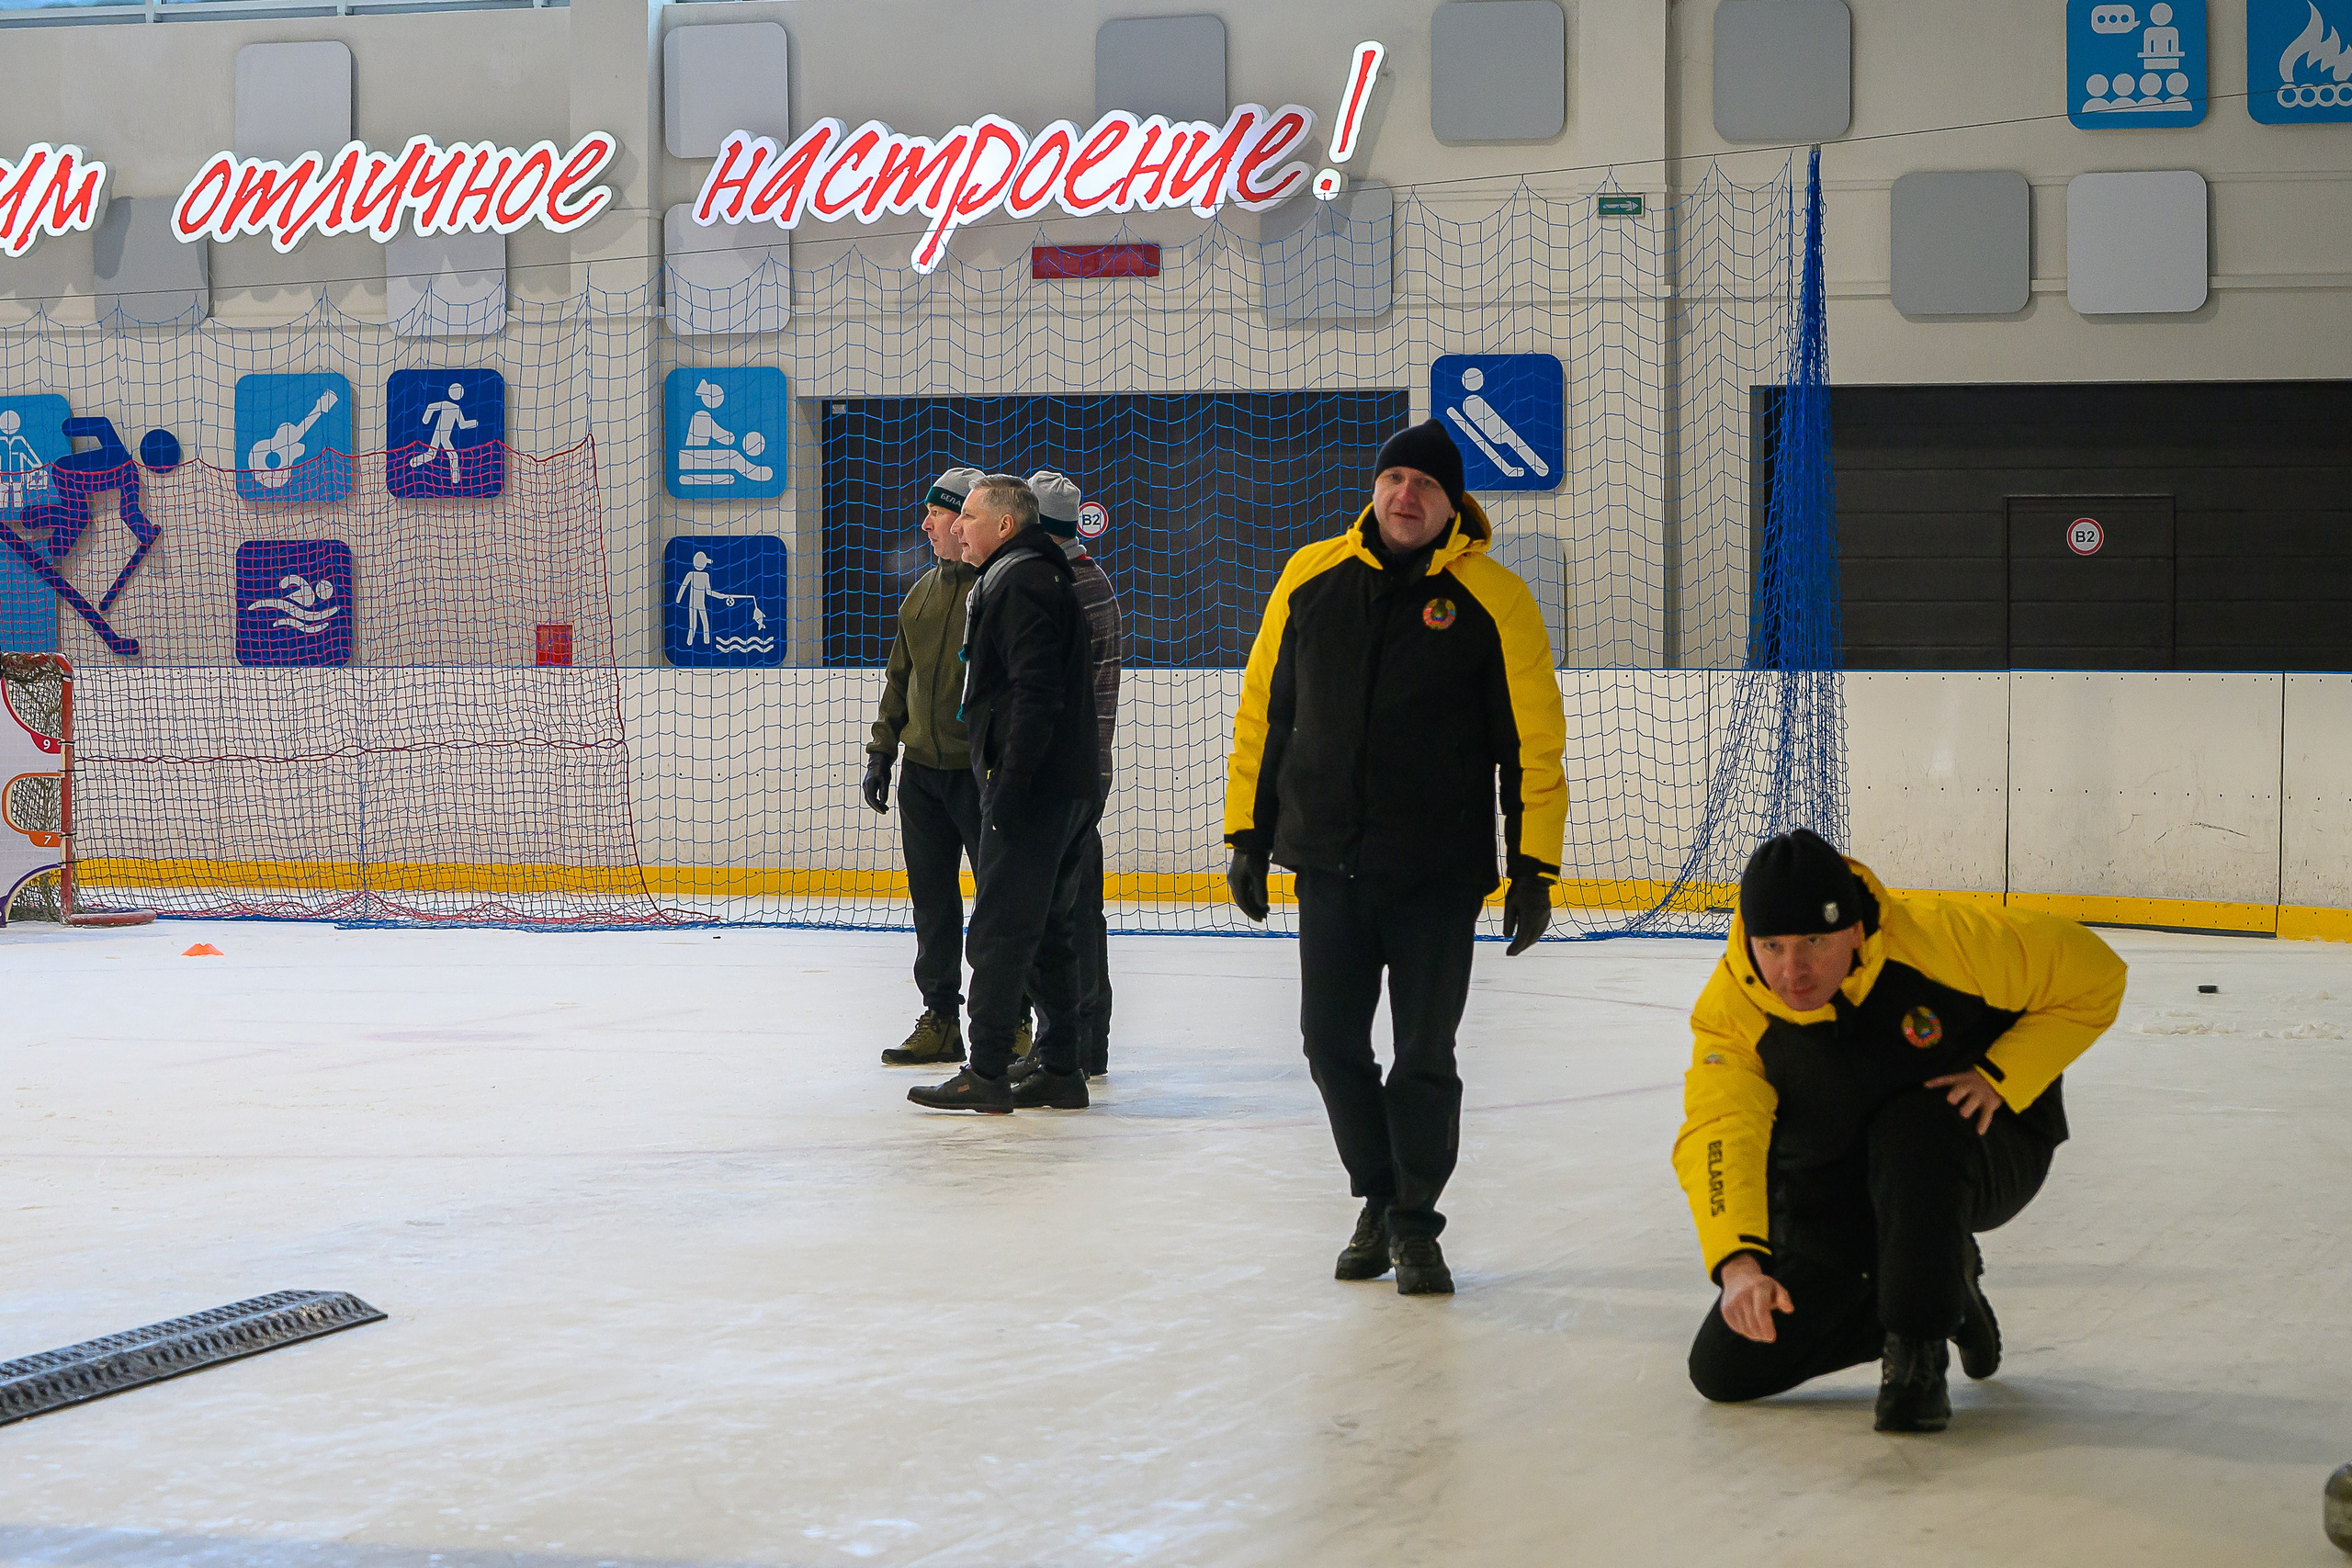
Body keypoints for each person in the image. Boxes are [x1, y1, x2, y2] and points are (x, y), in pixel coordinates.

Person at [1223, 419, 1568, 1295]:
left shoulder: (1497, 599)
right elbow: (1266, 712)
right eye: (1394, 478)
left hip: (1436, 876)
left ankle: (1415, 1223)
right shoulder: (1311, 577)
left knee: (1423, 1055)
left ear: (1454, 506)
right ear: (1374, 488)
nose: (1405, 494)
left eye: (1426, 484)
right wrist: (1247, 835)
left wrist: (1534, 867)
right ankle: (1378, 1193)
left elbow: (1531, 745)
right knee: (1329, 1043)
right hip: (1328, 863)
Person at [1674, 829, 2128, 1432]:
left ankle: (1918, 1352)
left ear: (1854, 930)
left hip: (1982, 1143)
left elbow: (2096, 973)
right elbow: (1721, 1129)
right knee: (1726, 1368)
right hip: (1844, 1183)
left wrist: (2000, 1075)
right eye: (1772, 945)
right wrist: (1738, 1265)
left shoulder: (1946, 940)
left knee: (1913, 1126)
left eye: (1814, 941)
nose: (1793, 970)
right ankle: (1944, 1285)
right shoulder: (1733, 1012)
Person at [910, 475, 1102, 1114]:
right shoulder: (1036, 577)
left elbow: (1035, 693)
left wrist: (1010, 786)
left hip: (1036, 790)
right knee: (1049, 932)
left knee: (998, 931)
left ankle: (987, 1070)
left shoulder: (1021, 583)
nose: (956, 526)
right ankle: (1061, 1069)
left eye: (968, 515)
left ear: (1004, 526)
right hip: (1064, 786)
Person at [865, 466, 1003, 1068]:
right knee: (933, 906)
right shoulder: (921, 593)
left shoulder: (998, 591)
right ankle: (941, 1018)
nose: (926, 524)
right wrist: (882, 751)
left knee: (1001, 905)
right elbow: (900, 679)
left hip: (981, 775)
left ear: (968, 520)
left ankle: (1012, 1023)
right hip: (921, 775)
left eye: (938, 513)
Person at [1010, 470, 1121, 1079]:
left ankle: (1069, 1040)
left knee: (1061, 914)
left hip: (1063, 773)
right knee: (1078, 911)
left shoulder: (1064, 587)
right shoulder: (1090, 579)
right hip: (1085, 768)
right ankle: (1085, 1042)